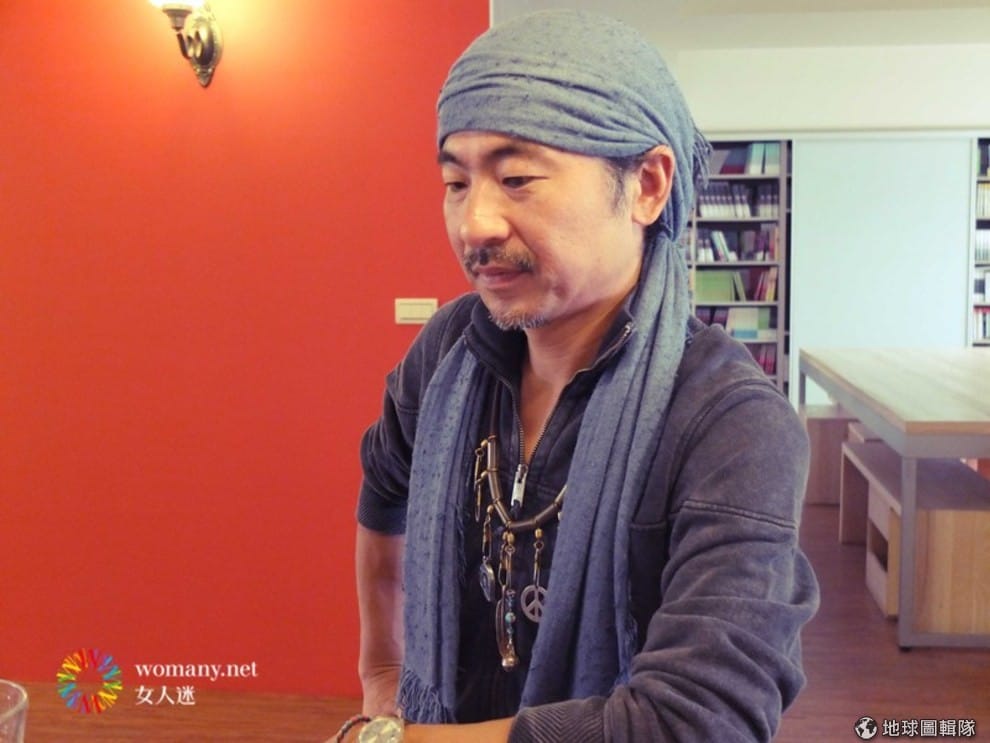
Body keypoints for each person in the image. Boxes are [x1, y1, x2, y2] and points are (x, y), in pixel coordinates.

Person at [343, 9, 819, 743]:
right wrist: (382, 672)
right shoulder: (448, 353)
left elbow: (697, 719)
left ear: (647, 186)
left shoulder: (730, 423)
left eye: (518, 178)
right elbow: (384, 485)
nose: (474, 224)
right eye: (456, 181)